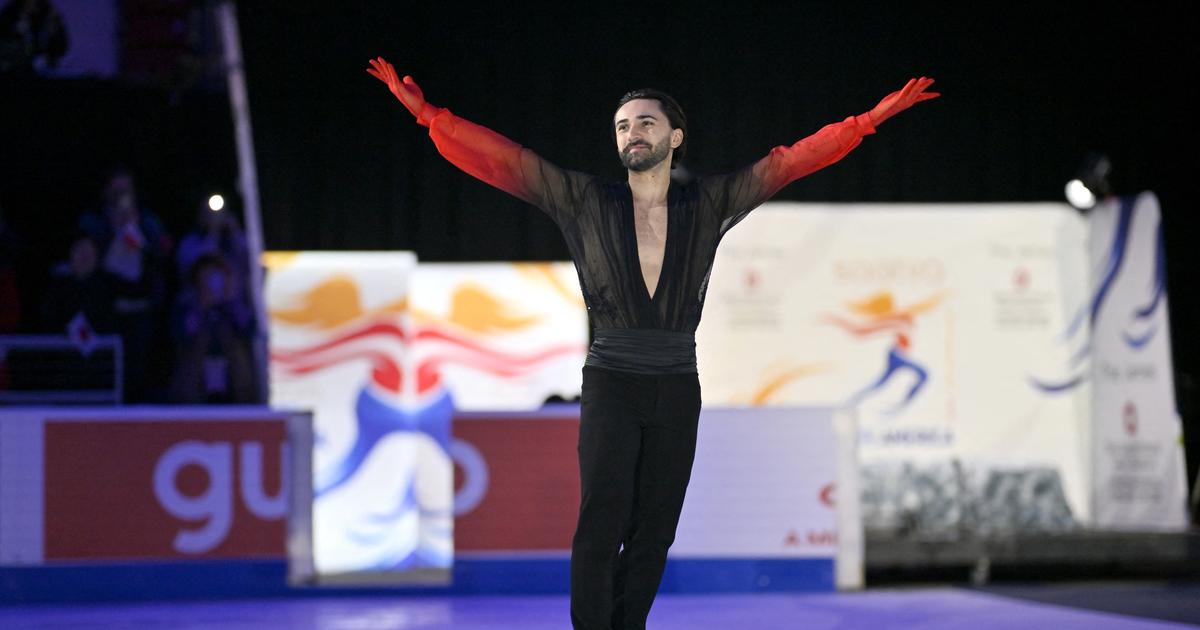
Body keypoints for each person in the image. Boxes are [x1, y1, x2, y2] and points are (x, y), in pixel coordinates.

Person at [367, 56, 938, 630]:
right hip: (612, 378)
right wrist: (431, 117)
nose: (631, 133)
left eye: (644, 123)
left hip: (676, 384)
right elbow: (504, 161)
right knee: (601, 521)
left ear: (675, 137)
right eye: (622, 126)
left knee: (656, 529)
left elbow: (788, 164)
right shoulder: (583, 200)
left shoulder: (708, 204)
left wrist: (866, 121)